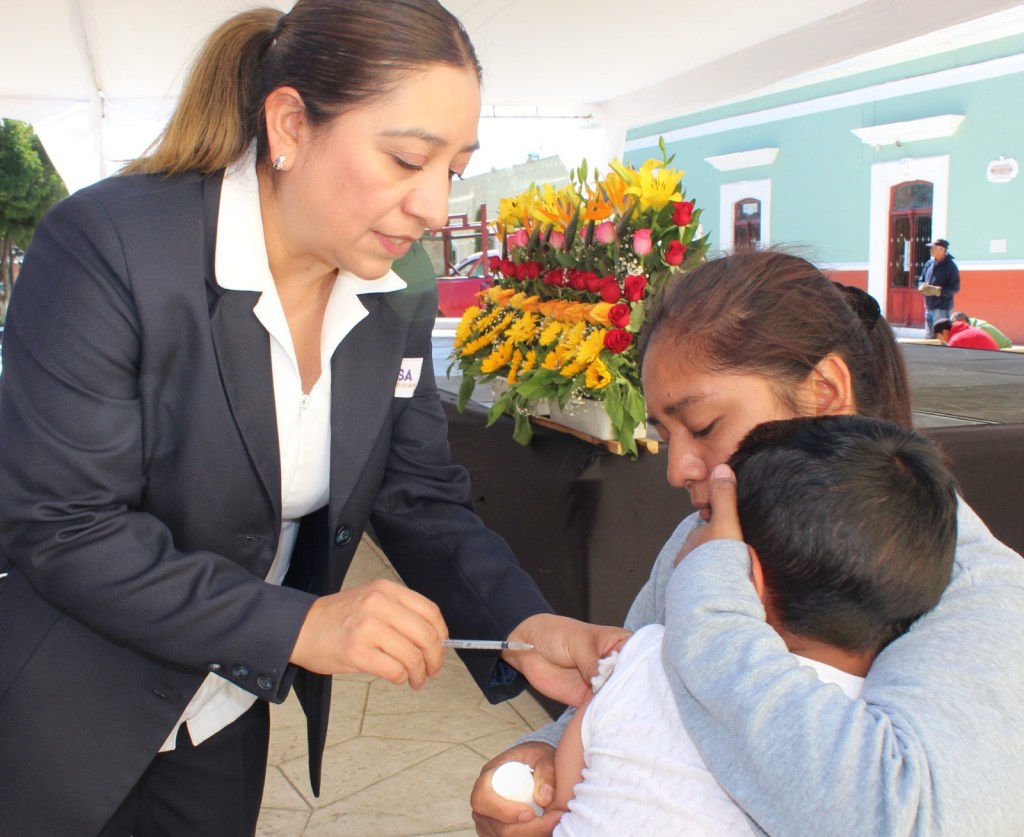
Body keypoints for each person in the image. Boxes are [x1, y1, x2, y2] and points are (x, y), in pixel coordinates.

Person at [0, 3, 628, 835]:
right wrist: (297, 622)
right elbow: (64, 524)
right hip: (60, 712)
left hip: (226, 708)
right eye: (408, 159)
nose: (435, 207)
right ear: (290, 124)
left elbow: (416, 493)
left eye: (456, 168)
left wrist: (521, 624)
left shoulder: (399, 292)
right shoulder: (110, 245)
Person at [471, 249, 1024, 837]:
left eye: (703, 426)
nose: (678, 470)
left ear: (824, 393)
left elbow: (899, 816)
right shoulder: (703, 538)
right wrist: (543, 758)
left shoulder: (977, 591)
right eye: (665, 435)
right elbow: (634, 691)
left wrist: (708, 610)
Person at [544, 414, 958, 835]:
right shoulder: (878, 736)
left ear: (740, 576)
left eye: (710, 533)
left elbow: (565, 793)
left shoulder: (645, 653)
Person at [917, 237, 960, 338]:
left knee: (940, 338)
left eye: (933, 248)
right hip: (929, 306)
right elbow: (921, 279)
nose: (930, 250)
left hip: (942, 308)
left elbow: (955, 288)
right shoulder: (929, 264)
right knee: (929, 336)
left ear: (942, 249)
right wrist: (921, 286)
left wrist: (939, 291)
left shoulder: (951, 267)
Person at [933, 317, 1000, 350]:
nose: (941, 341)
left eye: (939, 337)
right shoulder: (969, 329)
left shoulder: (955, 340)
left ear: (944, 332)